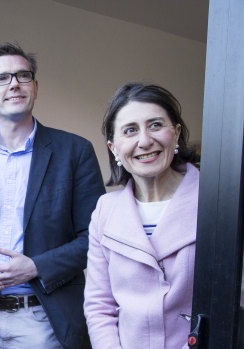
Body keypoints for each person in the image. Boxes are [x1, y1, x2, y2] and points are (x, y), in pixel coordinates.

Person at [0, 42, 105, 348]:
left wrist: (36, 266)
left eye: (22, 75)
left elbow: (94, 238)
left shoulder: (75, 152)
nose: (14, 83)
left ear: (35, 88)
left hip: (42, 318)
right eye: (1, 78)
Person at [84, 83, 200, 349]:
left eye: (156, 125)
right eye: (130, 130)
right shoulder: (105, 210)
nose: (145, 140)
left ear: (177, 133)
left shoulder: (216, 202)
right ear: (114, 148)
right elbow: (99, 305)